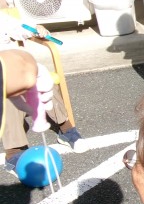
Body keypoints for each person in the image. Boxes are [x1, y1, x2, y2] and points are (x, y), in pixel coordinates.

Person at [1, 11, 86, 175]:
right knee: (7, 91)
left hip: (16, 65)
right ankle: (13, 152)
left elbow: (19, 28)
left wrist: (37, 28)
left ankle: (66, 130)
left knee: (41, 77)